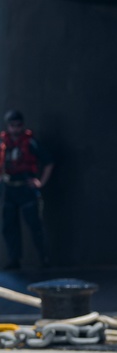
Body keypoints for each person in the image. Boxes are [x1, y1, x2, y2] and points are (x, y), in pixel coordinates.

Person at [0, 110, 53, 269]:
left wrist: (40, 182)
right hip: (9, 190)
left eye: (18, 125)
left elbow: (49, 161)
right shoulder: (3, 144)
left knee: (35, 225)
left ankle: (44, 259)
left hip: (26, 189)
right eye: (12, 125)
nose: (15, 129)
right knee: (9, 226)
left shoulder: (31, 142)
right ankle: (14, 260)